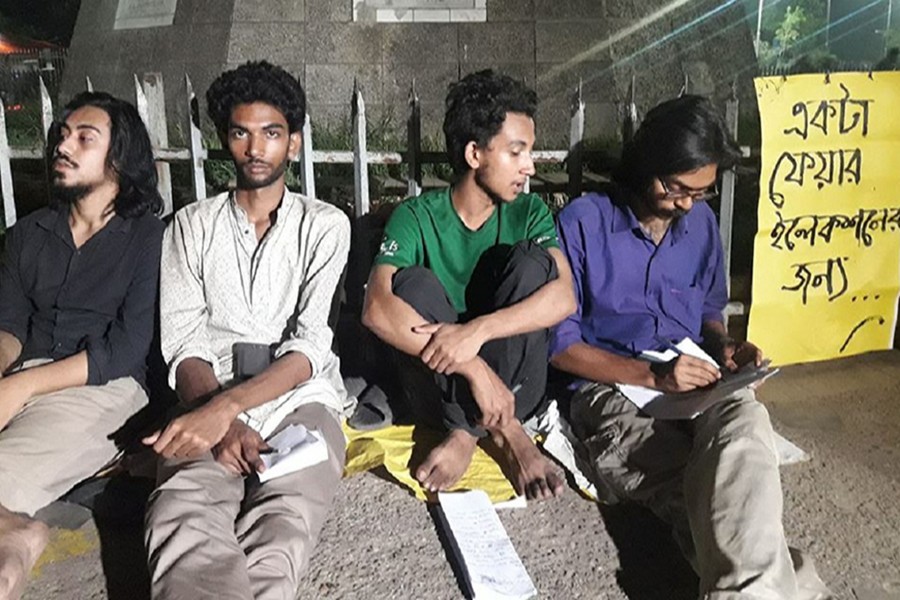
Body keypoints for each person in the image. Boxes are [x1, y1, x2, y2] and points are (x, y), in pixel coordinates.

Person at [550, 95, 832, 599]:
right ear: (646, 163)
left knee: (745, 430)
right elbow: (559, 344)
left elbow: (708, 308)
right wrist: (654, 378)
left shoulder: (700, 225)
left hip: (694, 371)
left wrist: (723, 346)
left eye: (699, 194)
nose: (685, 203)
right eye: (677, 188)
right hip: (611, 385)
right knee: (699, 494)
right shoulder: (583, 223)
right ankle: (798, 589)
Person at [143, 61, 351, 600]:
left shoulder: (326, 225)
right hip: (205, 390)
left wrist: (224, 411)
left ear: (295, 143)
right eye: (241, 132)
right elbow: (184, 342)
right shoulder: (190, 225)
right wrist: (216, 413)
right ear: (225, 141)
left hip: (299, 397)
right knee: (183, 512)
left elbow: (309, 346)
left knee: (283, 525)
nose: (256, 148)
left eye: (272, 132)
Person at [362, 69, 575, 501]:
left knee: (533, 268)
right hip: (439, 392)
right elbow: (376, 309)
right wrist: (471, 366)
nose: (530, 167)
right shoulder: (417, 215)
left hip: (518, 386)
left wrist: (477, 332)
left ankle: (468, 433)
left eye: (529, 153)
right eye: (516, 153)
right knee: (413, 285)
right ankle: (500, 432)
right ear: (475, 153)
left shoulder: (530, 212)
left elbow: (564, 296)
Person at [0, 91, 164, 599]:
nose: (63, 147)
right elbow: (9, 327)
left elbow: (127, 349)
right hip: (24, 375)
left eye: (83, 138)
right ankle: (12, 538)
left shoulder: (147, 239)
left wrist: (24, 385)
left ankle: (17, 534)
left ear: (119, 158)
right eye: (61, 137)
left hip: (103, 388)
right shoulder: (28, 235)